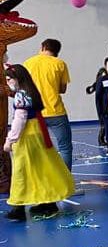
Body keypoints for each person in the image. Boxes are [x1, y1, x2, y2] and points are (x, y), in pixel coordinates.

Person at [3, 64, 75, 221]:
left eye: (9, 79)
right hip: (38, 135)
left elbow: (19, 121)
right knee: (41, 169)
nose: (7, 82)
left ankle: (18, 208)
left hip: (26, 137)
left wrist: (10, 140)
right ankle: (47, 203)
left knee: (21, 172)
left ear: (17, 79)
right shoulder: (31, 92)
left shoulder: (20, 96)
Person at [23, 39, 73, 171]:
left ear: (43, 47)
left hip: (34, 113)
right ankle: (65, 181)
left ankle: (39, 181)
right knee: (65, 147)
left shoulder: (28, 63)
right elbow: (62, 89)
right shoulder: (60, 64)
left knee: (35, 149)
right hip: (56, 111)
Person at [86, 64, 108, 146]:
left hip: (107, 105)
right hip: (101, 106)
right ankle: (101, 139)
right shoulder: (98, 83)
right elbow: (89, 90)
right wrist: (90, 88)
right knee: (104, 124)